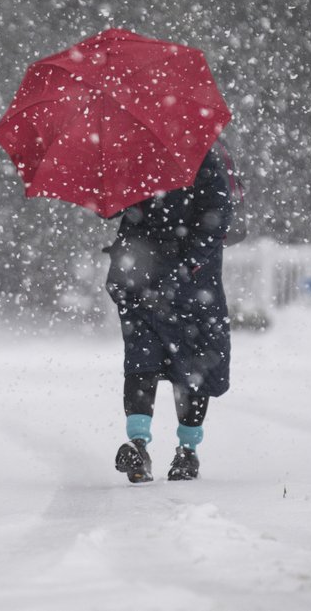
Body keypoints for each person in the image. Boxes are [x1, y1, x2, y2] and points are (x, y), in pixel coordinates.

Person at [104, 143, 234, 482]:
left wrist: (187, 263)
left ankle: (187, 451)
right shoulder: (130, 153)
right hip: (140, 279)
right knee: (140, 360)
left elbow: (217, 215)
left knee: (192, 366)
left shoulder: (203, 157)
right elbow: (116, 210)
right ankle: (137, 445)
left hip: (189, 286)